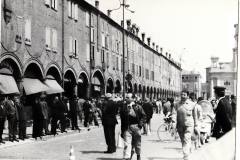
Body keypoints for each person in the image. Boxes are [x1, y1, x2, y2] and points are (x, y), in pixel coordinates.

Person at [120, 93, 146, 160]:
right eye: (126, 97)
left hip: (136, 127)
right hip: (127, 128)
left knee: (137, 143)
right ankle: (127, 157)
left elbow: (144, 116)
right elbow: (122, 119)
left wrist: (140, 125)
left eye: (128, 97)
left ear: (133, 99)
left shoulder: (138, 107)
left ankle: (138, 155)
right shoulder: (123, 107)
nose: (126, 98)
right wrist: (122, 130)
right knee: (127, 144)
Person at [176, 90, 198, 160]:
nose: (182, 96)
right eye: (181, 94)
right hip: (180, 125)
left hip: (189, 125)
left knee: (186, 139)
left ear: (187, 96)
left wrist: (196, 125)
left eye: (184, 95)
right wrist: (173, 122)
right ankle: (188, 149)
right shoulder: (177, 104)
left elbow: (195, 116)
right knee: (183, 140)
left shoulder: (192, 104)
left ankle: (186, 155)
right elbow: (173, 114)